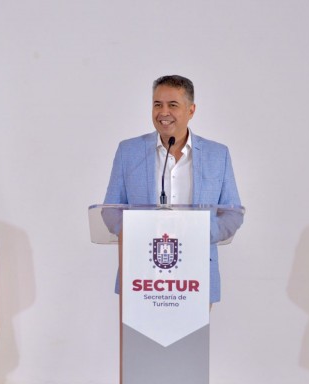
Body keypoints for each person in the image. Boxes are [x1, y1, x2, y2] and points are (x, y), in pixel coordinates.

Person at [103, 75, 243, 303]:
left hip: (197, 274)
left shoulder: (218, 155)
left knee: (190, 330)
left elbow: (233, 212)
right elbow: (110, 209)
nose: (163, 112)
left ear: (191, 110)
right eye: (157, 104)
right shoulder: (128, 151)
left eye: (173, 105)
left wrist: (201, 233)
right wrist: (138, 232)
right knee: (141, 330)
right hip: (141, 273)